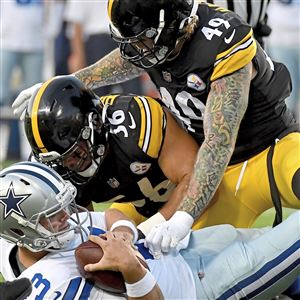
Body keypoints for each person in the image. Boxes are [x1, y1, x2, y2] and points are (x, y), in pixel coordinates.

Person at [13, 0, 300, 255]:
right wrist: (71, 83)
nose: (135, 51)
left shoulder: (221, 39)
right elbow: (128, 59)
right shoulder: (159, 43)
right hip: (219, 181)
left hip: (271, 151)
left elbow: (219, 140)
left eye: (142, 42)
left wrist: (184, 215)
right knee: (200, 270)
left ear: (169, 26)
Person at [0, 161, 299, 299]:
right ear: (21, 229)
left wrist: (122, 232)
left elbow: (109, 217)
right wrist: (132, 270)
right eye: (52, 215)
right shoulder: (56, 288)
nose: (67, 216)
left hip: (185, 251)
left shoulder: (43, 238)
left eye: (64, 206)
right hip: (200, 289)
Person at [22, 75, 199, 237]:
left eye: (75, 153)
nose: (69, 165)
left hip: (197, 200)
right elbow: (84, 226)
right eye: (60, 161)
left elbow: (195, 176)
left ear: (95, 124)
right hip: (138, 205)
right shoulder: (59, 167)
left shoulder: (136, 125)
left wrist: (152, 227)